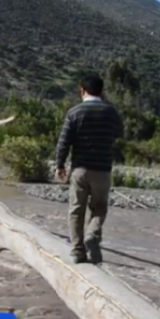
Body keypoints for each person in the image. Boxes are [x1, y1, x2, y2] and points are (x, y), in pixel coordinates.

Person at [55, 75, 124, 264]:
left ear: (82, 90)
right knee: (99, 208)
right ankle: (92, 235)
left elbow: (64, 142)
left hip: (80, 169)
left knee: (76, 210)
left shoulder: (74, 112)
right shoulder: (111, 113)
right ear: (102, 92)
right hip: (102, 169)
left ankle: (78, 251)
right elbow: (120, 133)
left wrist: (60, 165)